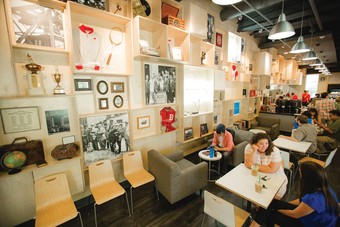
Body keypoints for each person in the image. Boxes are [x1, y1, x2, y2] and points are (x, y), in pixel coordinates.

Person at [248, 161, 339, 227]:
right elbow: (302, 200)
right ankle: (256, 224)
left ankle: (256, 224)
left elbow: (294, 214)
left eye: (301, 173)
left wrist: (275, 209)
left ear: (308, 178)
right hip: (310, 216)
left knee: (269, 212)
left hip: (309, 223)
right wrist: (281, 205)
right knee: (269, 203)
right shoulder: (326, 189)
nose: (300, 175)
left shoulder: (314, 199)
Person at [244, 133, 287, 198]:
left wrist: (252, 165)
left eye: (266, 143)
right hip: (256, 174)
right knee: (252, 192)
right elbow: (247, 163)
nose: (264, 146)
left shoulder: (274, 150)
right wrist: (254, 150)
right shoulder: (249, 147)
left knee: (271, 197)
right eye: (261, 144)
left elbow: (272, 170)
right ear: (255, 144)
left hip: (274, 176)